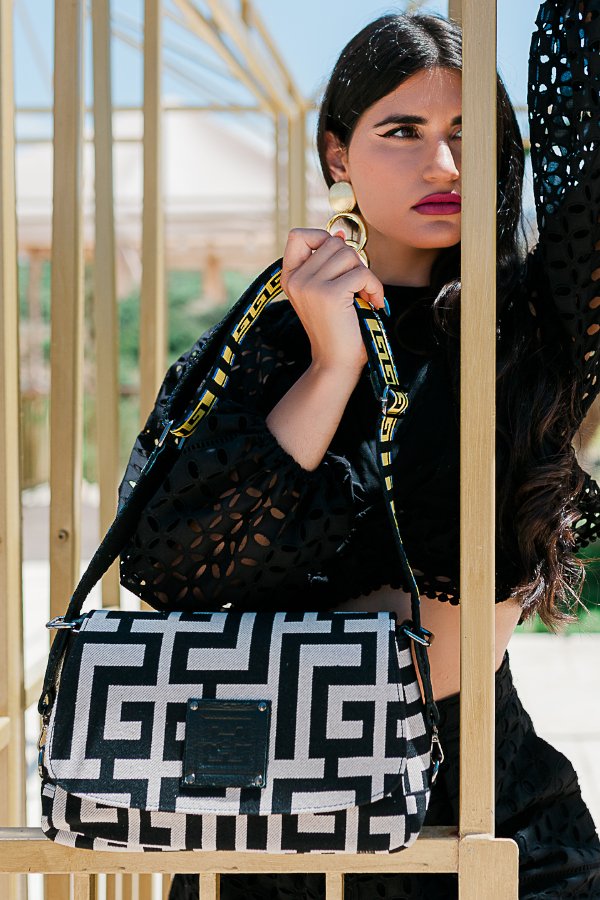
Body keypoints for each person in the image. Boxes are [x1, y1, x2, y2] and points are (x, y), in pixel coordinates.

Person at [118, 3, 600, 897]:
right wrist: (333, 361)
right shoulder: (268, 341)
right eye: (402, 131)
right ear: (337, 154)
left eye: (467, 131)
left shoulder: (537, 326)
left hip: (486, 791)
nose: (443, 163)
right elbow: (169, 563)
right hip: (280, 800)